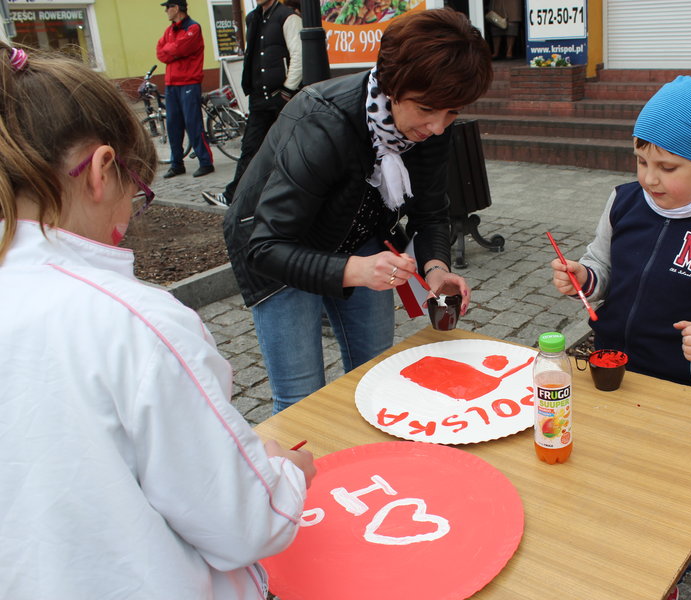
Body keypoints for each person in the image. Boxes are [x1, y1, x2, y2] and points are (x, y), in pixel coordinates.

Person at [0, 43, 315, 598]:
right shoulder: (135, 323)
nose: (130, 213)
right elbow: (245, 524)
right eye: (136, 192)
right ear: (101, 170)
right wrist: (293, 473)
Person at [223, 7, 493, 414]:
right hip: (278, 247)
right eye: (426, 110)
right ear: (391, 85)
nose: (438, 127)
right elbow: (265, 248)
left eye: (451, 112)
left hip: (357, 235)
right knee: (302, 399)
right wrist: (356, 271)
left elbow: (431, 211)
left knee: (376, 375)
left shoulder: (433, 120)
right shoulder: (323, 121)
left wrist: (435, 269)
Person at [551, 75, 691, 391]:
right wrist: (586, 278)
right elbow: (602, 264)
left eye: (667, 167)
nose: (649, 179)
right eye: (641, 161)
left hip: (683, 383)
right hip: (611, 366)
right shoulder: (623, 201)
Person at [202, 0, 303, 208]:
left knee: (288, 150)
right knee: (250, 149)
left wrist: (287, 89)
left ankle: (289, 199)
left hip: (280, 98)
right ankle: (233, 197)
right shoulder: (253, 18)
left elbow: (298, 54)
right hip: (259, 98)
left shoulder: (288, 17)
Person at [156, 0, 215, 178]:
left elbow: (179, 49)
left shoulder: (193, 28)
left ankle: (205, 162)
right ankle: (177, 164)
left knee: (193, 123)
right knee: (173, 125)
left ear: (176, 8)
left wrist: (171, 51)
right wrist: (171, 51)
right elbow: (160, 52)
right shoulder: (169, 31)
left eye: (168, 7)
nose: (166, 11)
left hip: (189, 83)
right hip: (172, 84)